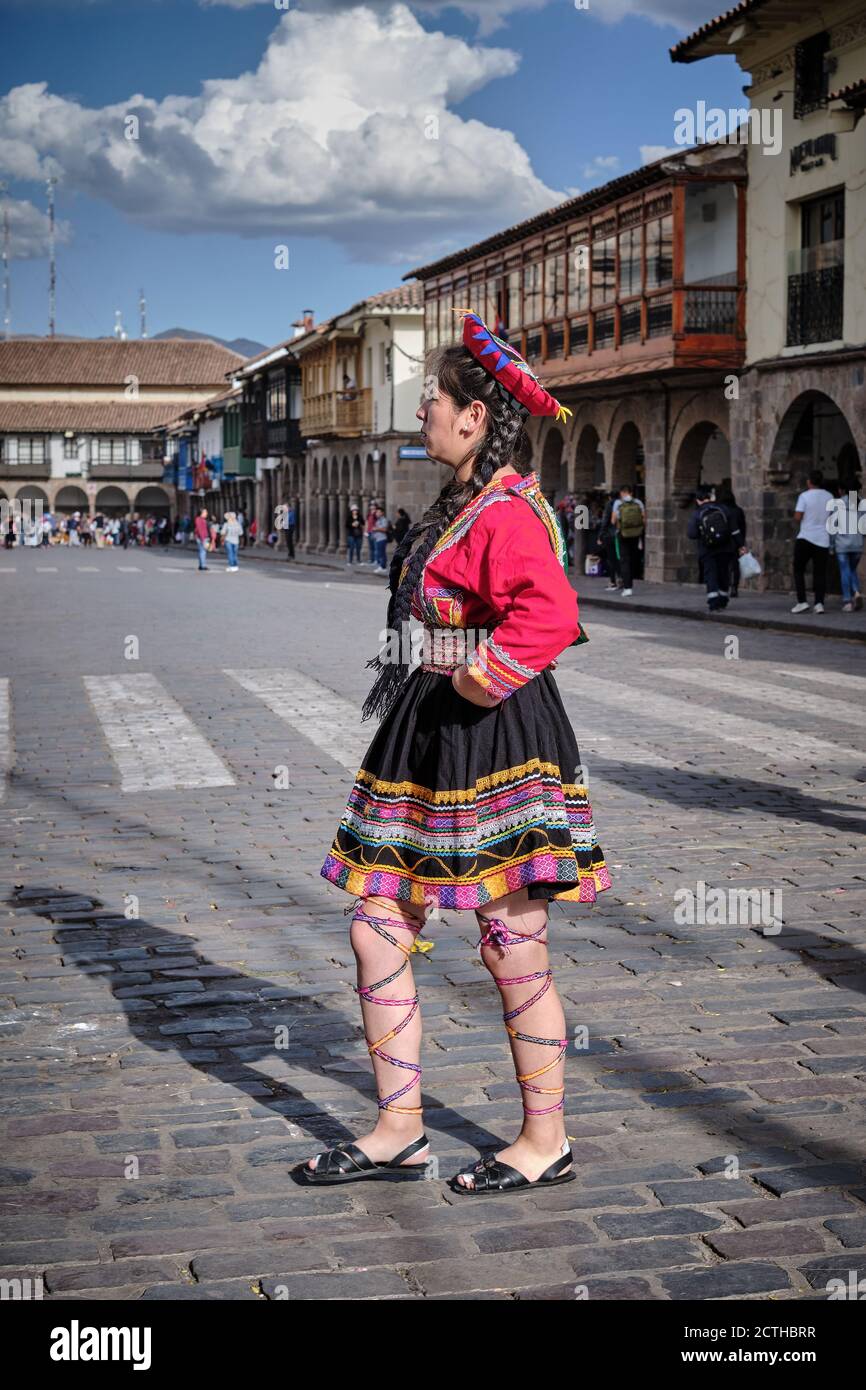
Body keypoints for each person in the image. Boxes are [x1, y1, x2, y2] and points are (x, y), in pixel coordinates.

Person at [304, 308, 611, 1195]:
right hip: (426, 731)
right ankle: (399, 1126)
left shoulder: (507, 510)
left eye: (434, 399)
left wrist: (473, 681)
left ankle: (543, 1137)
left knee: (510, 937)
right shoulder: (463, 504)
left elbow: (548, 615)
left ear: (474, 417)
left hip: (493, 733)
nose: (424, 413)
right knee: (377, 922)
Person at [687, 484, 744, 611]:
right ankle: (723, 599)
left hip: (707, 549)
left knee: (710, 574)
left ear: (698, 499)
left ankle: (713, 601)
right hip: (726, 547)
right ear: (711, 497)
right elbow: (735, 530)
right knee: (724, 573)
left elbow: (692, 534)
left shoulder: (697, 513)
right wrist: (741, 545)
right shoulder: (724, 509)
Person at [791, 469, 834, 614]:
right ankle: (819, 603)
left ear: (809, 482)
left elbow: (798, 517)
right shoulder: (829, 496)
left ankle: (802, 601)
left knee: (798, 569)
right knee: (820, 573)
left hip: (805, 537)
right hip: (823, 539)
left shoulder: (804, 496)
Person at [829, 483, 865, 613]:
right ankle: (856, 592)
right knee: (851, 570)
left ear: (842, 490)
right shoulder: (861, 503)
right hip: (857, 543)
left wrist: (831, 545)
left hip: (842, 543)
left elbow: (833, 526)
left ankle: (847, 600)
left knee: (845, 570)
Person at [715, 481, 747, 598]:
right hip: (735, 541)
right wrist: (742, 543)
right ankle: (734, 587)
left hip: (722, 542)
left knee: (723, 565)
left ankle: (724, 586)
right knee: (735, 565)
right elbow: (742, 527)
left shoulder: (719, 510)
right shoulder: (738, 510)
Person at [612, 484, 645, 597]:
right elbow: (644, 519)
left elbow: (613, 520)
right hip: (636, 534)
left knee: (624, 560)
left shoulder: (618, 503)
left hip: (623, 534)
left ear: (622, 493)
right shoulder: (638, 503)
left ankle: (627, 587)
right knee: (633, 559)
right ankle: (632, 580)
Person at [371, 506, 390, 573]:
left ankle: (383, 567)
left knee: (382, 553)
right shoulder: (378, 520)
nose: (377, 513)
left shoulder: (384, 520)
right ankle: (381, 566)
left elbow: (385, 529)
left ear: (382, 513)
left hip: (382, 538)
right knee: (380, 553)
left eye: (378, 512)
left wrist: (376, 529)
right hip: (378, 539)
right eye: (376, 512)